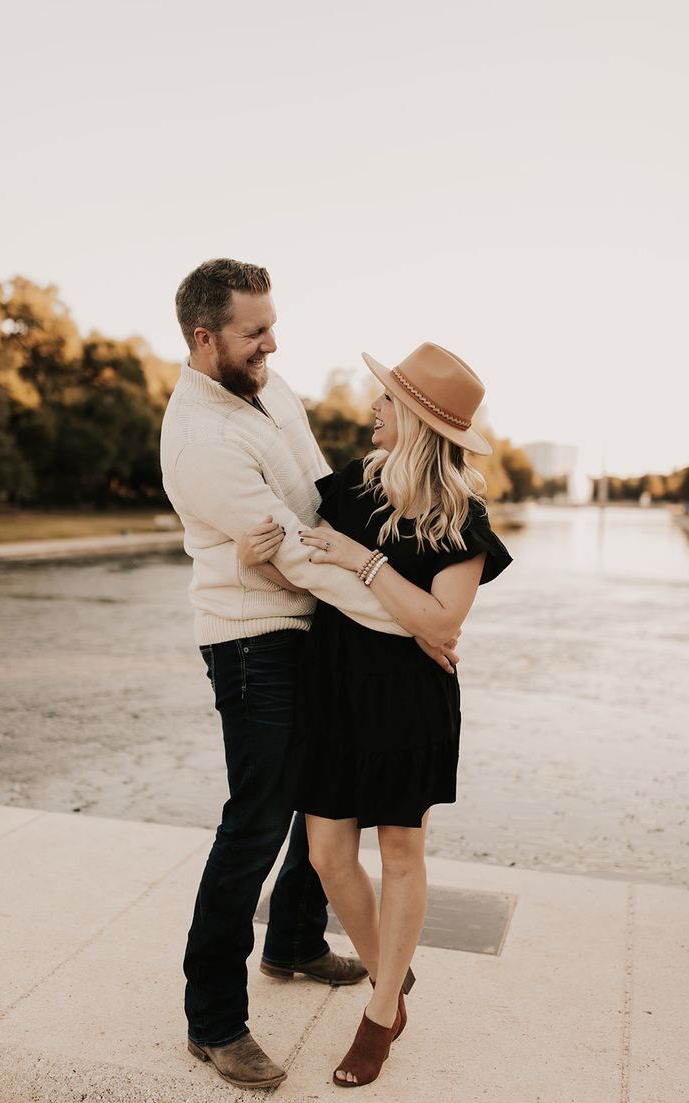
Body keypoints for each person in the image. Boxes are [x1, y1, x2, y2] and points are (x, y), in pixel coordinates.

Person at [159, 261, 462, 1091]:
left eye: (272, 323)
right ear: (204, 336)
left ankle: (293, 940)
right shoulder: (199, 440)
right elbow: (302, 559)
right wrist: (411, 623)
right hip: (254, 640)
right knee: (255, 821)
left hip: (313, 627)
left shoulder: (269, 381)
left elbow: (319, 500)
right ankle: (213, 1018)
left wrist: (382, 573)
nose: (273, 342)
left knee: (320, 790)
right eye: (255, 331)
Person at [239, 341, 512, 1088]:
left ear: (418, 421)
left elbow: (440, 625)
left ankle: (380, 1009)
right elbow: (301, 572)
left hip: (407, 704)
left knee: (399, 852)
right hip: (331, 690)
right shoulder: (345, 493)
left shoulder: (464, 520)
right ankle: (395, 981)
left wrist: (364, 562)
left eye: (386, 400)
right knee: (328, 855)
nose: (373, 408)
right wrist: (250, 555)